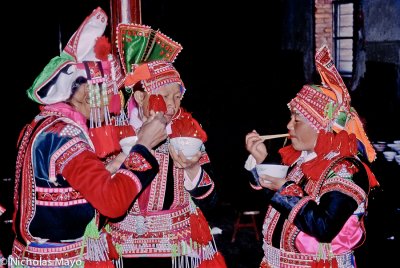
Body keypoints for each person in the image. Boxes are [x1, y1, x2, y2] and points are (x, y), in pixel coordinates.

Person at [11, 7, 167, 267]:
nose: (105, 101)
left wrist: (114, 165)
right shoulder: (65, 135)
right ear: (77, 89)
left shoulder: (43, 125)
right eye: (99, 91)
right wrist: (143, 146)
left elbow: (66, 183)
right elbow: (113, 204)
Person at [244, 45, 379, 268]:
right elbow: (274, 207)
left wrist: (285, 188)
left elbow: (323, 226)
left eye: (296, 120)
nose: (289, 125)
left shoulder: (347, 169)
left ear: (321, 127)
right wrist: (259, 163)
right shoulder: (303, 160)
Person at [109, 24, 223, 267]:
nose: (172, 105)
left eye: (177, 96)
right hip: (122, 247)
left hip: (175, 246)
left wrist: (193, 170)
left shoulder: (186, 132)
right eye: (164, 96)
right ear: (140, 97)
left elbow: (212, 200)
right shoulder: (117, 133)